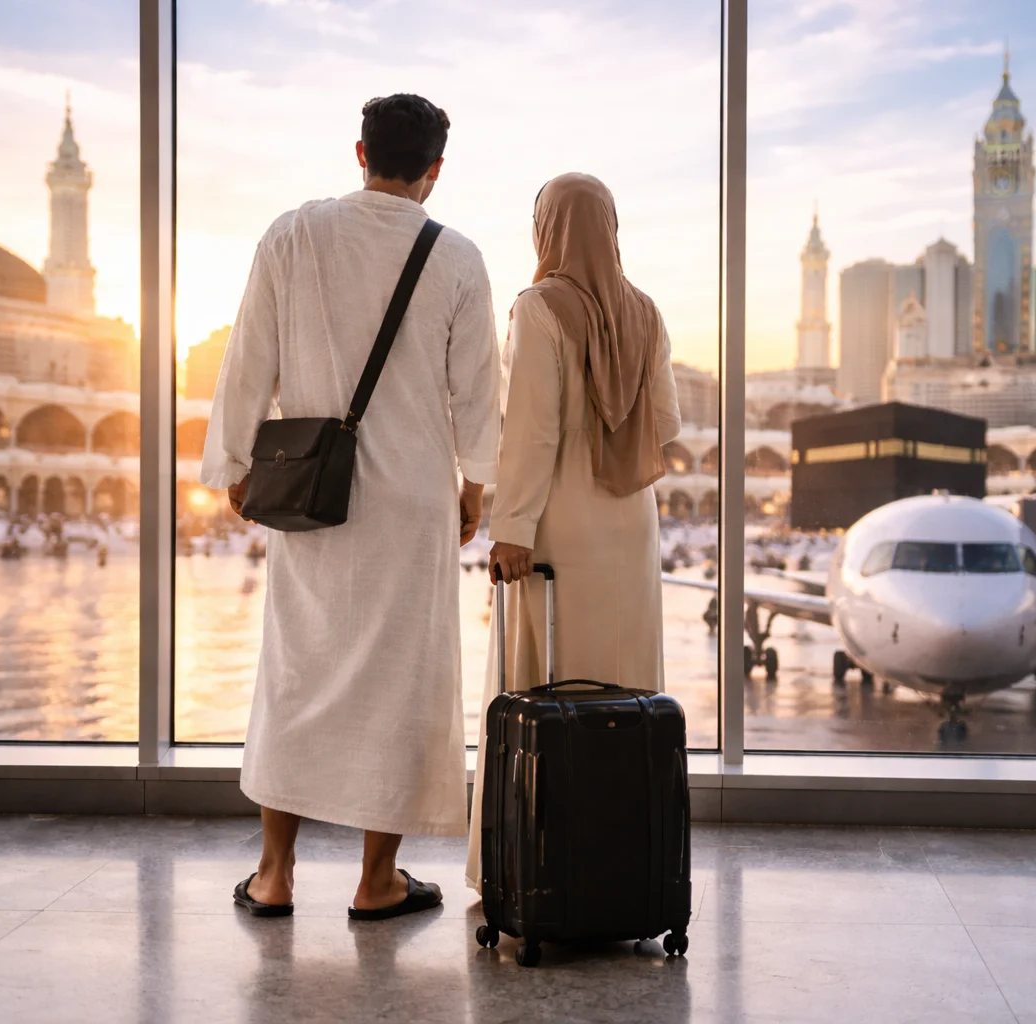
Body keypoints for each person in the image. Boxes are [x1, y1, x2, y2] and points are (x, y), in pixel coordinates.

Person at [200, 94, 500, 920]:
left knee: (297, 670)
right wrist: (476, 483)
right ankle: (376, 882)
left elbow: (247, 354)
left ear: (358, 153)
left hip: (312, 493)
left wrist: (233, 463)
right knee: (401, 682)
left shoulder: (292, 233)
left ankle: (274, 874)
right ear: (435, 171)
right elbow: (478, 396)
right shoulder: (457, 257)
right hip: (411, 499)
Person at [465, 172, 681, 891]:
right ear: (610, 230)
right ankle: (624, 869)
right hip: (630, 522)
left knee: (545, 687)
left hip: (559, 522)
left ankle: (540, 870)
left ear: (546, 231)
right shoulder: (644, 312)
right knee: (627, 696)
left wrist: (511, 529)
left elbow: (529, 432)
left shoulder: (539, 308)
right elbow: (668, 424)